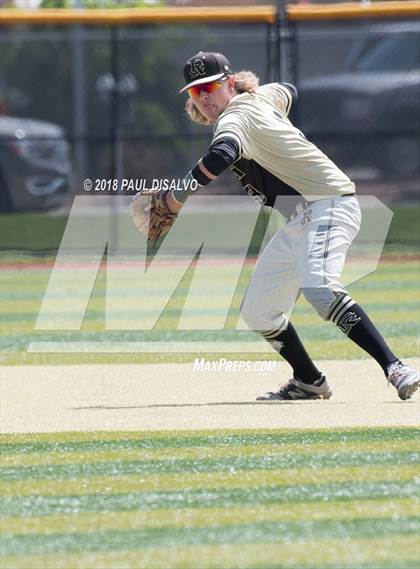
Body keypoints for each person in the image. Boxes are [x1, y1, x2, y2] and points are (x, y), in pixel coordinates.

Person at [135, 51, 419, 401]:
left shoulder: (234, 118)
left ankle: (394, 366)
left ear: (228, 82)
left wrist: (174, 199)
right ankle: (308, 380)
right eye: (195, 92)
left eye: (209, 86)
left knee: (320, 289)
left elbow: (220, 156)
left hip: (331, 205)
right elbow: (289, 90)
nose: (204, 96)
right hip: (301, 218)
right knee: (259, 311)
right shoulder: (262, 96)